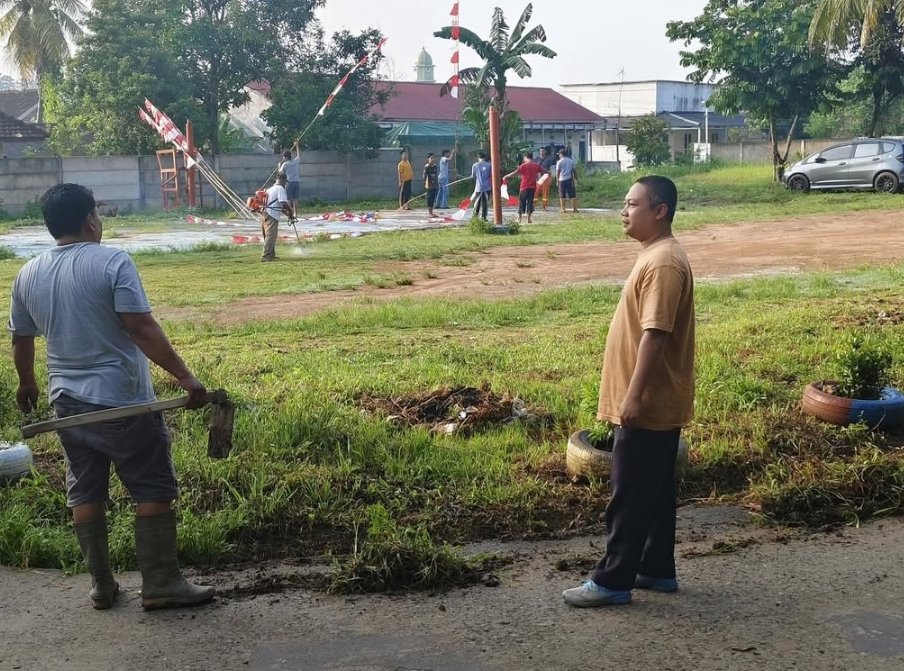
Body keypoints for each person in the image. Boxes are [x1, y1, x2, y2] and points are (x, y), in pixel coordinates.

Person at [8, 183, 215, 611]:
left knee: (85, 491)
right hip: (123, 401)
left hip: (67, 403)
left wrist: (27, 383)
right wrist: (186, 378)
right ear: (90, 220)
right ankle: (161, 584)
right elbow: (140, 327)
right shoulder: (112, 261)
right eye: (98, 215)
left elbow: (21, 339)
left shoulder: (27, 273)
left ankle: (102, 586)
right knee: (152, 486)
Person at [562, 176, 695, 608]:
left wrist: (634, 396)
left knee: (630, 493)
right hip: (654, 400)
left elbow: (656, 334)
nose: (624, 211)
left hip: (649, 401)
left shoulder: (664, 262)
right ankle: (656, 569)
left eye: (632, 204)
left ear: (660, 211)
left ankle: (612, 580)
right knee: (654, 491)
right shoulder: (656, 255)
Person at [503, 151, 545, 224]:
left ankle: (519, 218)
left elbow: (515, 173)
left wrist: (507, 176)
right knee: (530, 202)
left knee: (522, 202)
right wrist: (539, 178)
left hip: (524, 187)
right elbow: (544, 172)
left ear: (526, 157)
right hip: (532, 187)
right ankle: (528, 219)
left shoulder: (524, 166)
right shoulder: (536, 165)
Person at [260, 173, 292, 262]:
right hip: (271, 214)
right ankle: (266, 256)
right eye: (285, 181)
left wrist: (289, 215)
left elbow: (279, 206)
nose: (285, 183)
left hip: (264, 213)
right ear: (283, 180)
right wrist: (291, 210)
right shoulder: (280, 188)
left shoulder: (270, 189)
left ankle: (271, 255)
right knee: (271, 235)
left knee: (269, 235)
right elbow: (283, 203)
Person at [277, 140, 301, 217]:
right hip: (296, 182)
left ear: (286, 157)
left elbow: (280, 173)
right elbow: (299, 155)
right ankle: (295, 213)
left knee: (289, 199)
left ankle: (290, 213)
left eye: (284, 157)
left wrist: (279, 165)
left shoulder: (285, 164)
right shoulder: (295, 161)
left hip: (289, 182)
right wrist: (297, 145)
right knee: (295, 199)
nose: (283, 158)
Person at [470, 151, 492, 221]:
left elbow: (473, 176)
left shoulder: (475, 165)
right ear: (485, 157)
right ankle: (484, 217)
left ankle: (475, 217)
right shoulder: (489, 165)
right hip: (487, 186)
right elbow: (491, 175)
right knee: (485, 202)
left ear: (478, 157)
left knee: (477, 202)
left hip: (478, 187)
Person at [556, 149, 578, 213]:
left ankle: (563, 209)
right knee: (572, 194)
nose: (559, 156)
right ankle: (574, 209)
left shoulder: (559, 162)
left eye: (559, 154)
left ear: (561, 154)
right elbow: (574, 171)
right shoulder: (571, 161)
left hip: (561, 180)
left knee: (562, 194)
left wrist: (557, 181)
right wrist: (576, 179)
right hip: (569, 179)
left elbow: (557, 172)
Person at [424, 153, 440, 218]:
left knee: (433, 198)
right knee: (430, 199)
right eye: (431, 158)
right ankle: (430, 213)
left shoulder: (435, 166)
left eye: (433, 158)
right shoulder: (427, 167)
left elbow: (436, 175)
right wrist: (426, 185)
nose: (433, 159)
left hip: (434, 185)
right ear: (428, 159)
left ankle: (432, 212)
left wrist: (437, 183)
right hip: (429, 185)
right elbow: (424, 177)